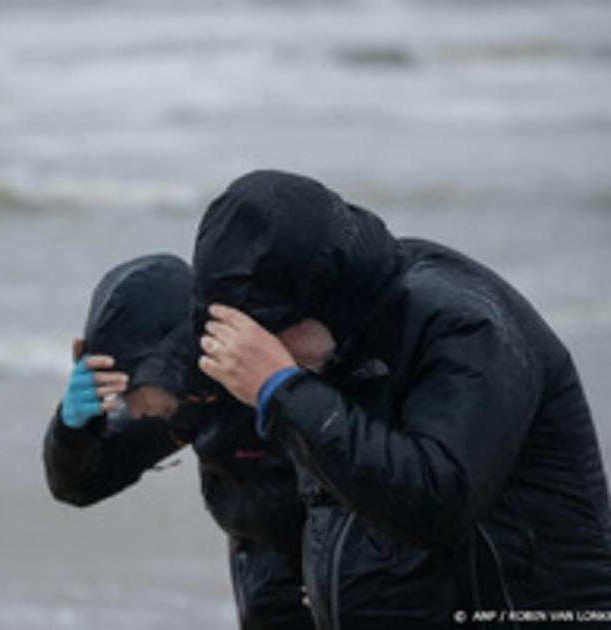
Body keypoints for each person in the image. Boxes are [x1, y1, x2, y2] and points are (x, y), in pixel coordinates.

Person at [193, 170, 611, 629]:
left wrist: (282, 389)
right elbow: (335, 501)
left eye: (272, 333)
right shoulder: (340, 337)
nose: (271, 352)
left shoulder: (464, 324)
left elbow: (433, 501)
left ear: (324, 294)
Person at [42, 253, 315, 630]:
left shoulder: (282, 374)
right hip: (265, 589)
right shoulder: (189, 402)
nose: (130, 411)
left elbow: (380, 482)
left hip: (345, 592)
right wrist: (74, 429)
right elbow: (81, 485)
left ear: (165, 361)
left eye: (129, 388)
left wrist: (344, 583)